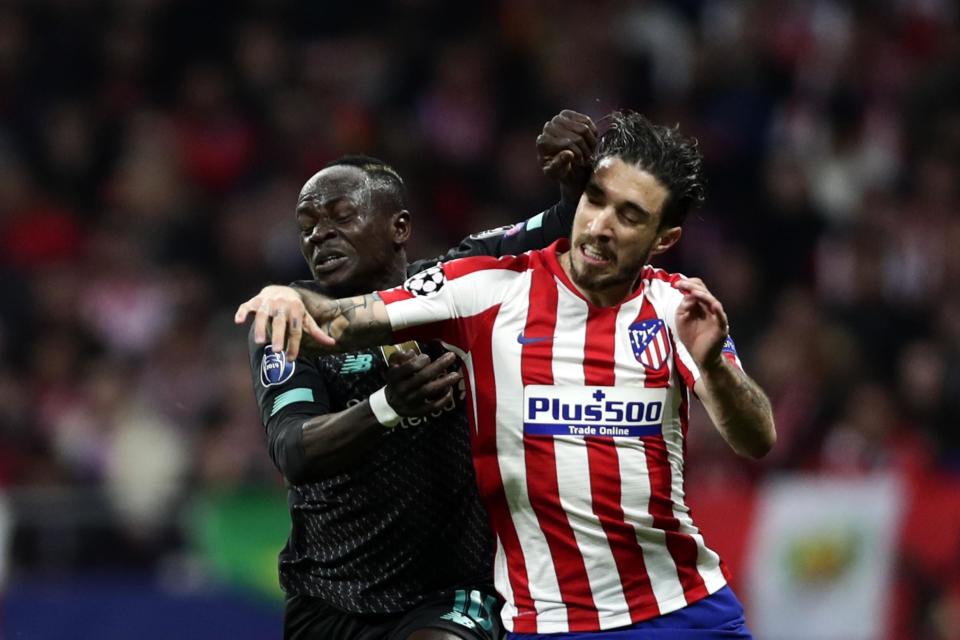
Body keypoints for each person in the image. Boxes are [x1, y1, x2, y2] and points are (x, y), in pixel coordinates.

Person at [237, 110, 776, 639]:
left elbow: (757, 439)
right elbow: (335, 327)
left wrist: (713, 367)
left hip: (680, 609)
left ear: (662, 238)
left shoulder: (679, 308)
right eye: (594, 200)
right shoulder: (483, 291)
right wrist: (288, 296)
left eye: (631, 216)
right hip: (534, 621)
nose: (602, 225)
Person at [248, 111, 599, 640]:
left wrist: (579, 179)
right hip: (327, 595)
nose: (320, 233)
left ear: (400, 228)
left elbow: (566, 228)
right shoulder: (291, 317)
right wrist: (389, 406)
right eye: (306, 226)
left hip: (452, 590)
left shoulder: (457, 285)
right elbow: (294, 451)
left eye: (340, 215)